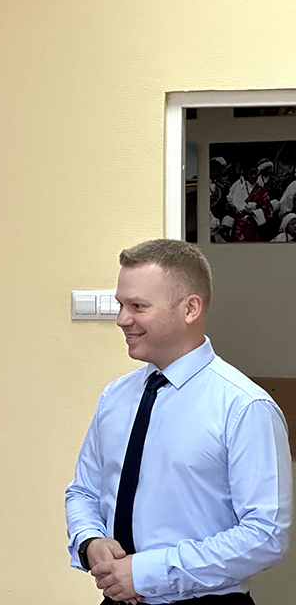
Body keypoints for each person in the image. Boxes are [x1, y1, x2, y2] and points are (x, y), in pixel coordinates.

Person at [65, 240, 291, 604]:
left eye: (138, 306)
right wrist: (90, 541)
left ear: (190, 309)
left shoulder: (245, 407)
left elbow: (265, 536)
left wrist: (147, 574)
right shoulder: (115, 397)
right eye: (121, 305)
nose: (122, 319)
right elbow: (83, 491)